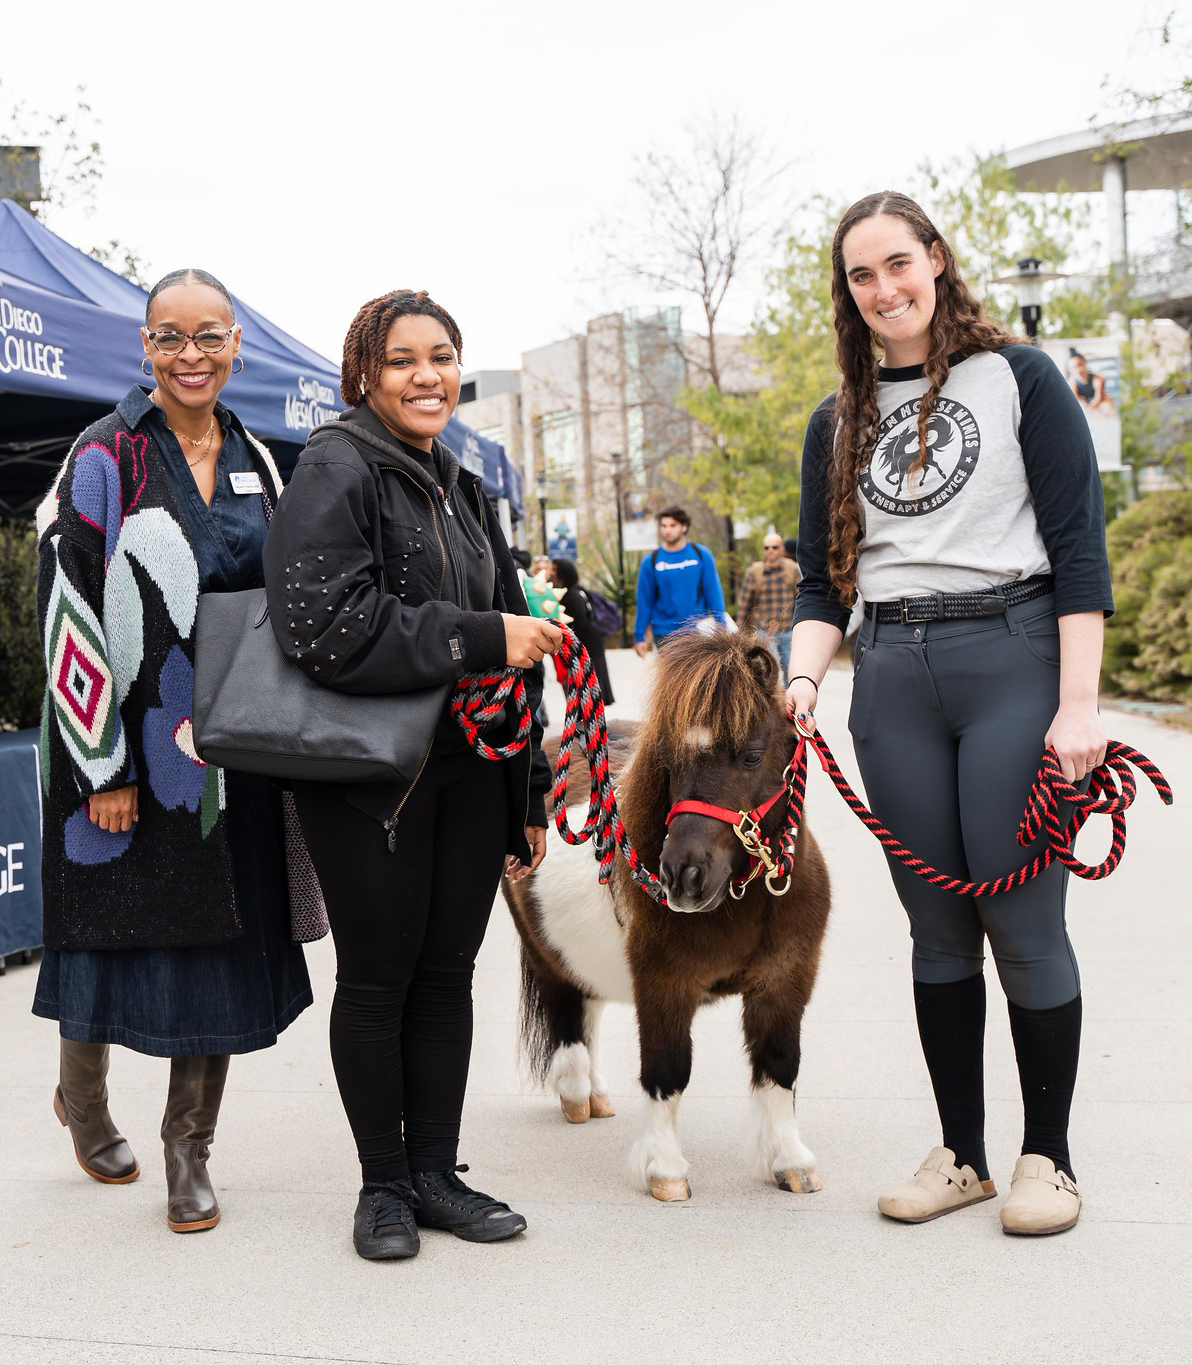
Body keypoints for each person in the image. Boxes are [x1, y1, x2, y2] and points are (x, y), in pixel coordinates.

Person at [787, 192, 1112, 1237]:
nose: (884, 289)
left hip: (1010, 655)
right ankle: (963, 1154)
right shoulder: (836, 419)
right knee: (936, 930)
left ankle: (1046, 1160)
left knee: (1019, 920)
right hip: (891, 676)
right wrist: (801, 681)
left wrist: (1077, 707)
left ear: (935, 258)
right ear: (847, 294)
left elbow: (1078, 552)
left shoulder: (1019, 380)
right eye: (861, 276)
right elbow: (819, 586)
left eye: (897, 263)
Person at [262, 290, 560, 1262]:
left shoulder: (461, 483)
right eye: (402, 360)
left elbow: (520, 647)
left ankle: (436, 1173)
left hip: (471, 773)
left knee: (446, 978)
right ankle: (382, 1187)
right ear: (364, 373)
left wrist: (531, 795)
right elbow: (324, 626)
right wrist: (479, 636)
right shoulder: (336, 464)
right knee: (381, 981)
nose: (427, 375)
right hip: (369, 779)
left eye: (442, 357)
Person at [34, 268, 314, 1234]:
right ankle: (86, 1098)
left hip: (227, 759)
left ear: (237, 342)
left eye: (208, 336)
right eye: (168, 337)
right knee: (105, 937)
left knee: (222, 947)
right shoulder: (104, 455)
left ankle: (188, 1149)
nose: (189, 355)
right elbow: (67, 611)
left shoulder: (257, 459)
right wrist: (98, 768)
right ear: (143, 346)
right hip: (119, 747)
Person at [632, 505, 726, 656]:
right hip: (665, 634)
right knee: (671, 680)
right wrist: (639, 636)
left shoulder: (701, 555)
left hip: (697, 632)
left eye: (672, 525)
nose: (667, 530)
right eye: (663, 526)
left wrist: (721, 626)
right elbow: (644, 600)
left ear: (684, 527)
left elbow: (713, 592)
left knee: (697, 679)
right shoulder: (651, 560)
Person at [550, 556, 615, 704]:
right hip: (591, 642)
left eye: (554, 569)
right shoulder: (577, 591)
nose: (551, 572)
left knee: (588, 688)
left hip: (586, 645)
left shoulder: (571, 596)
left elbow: (580, 623)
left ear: (563, 573)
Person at [737, 533, 800, 678]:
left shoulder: (792, 569)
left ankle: (789, 700)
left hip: (786, 630)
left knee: (791, 672)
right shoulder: (754, 571)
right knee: (769, 672)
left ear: (782, 549)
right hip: (764, 631)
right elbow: (745, 604)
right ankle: (773, 700)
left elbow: (800, 599)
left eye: (775, 547)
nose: (770, 550)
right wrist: (740, 630)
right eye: (767, 548)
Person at [1066, 349, 1116, 415]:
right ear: (1070, 370)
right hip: (1086, 406)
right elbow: (1078, 400)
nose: (1078, 370)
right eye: (1074, 367)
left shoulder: (1097, 379)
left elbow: (1098, 399)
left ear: (1085, 364)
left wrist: (1090, 408)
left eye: (1079, 365)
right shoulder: (1072, 383)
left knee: (1107, 404)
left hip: (1100, 404)